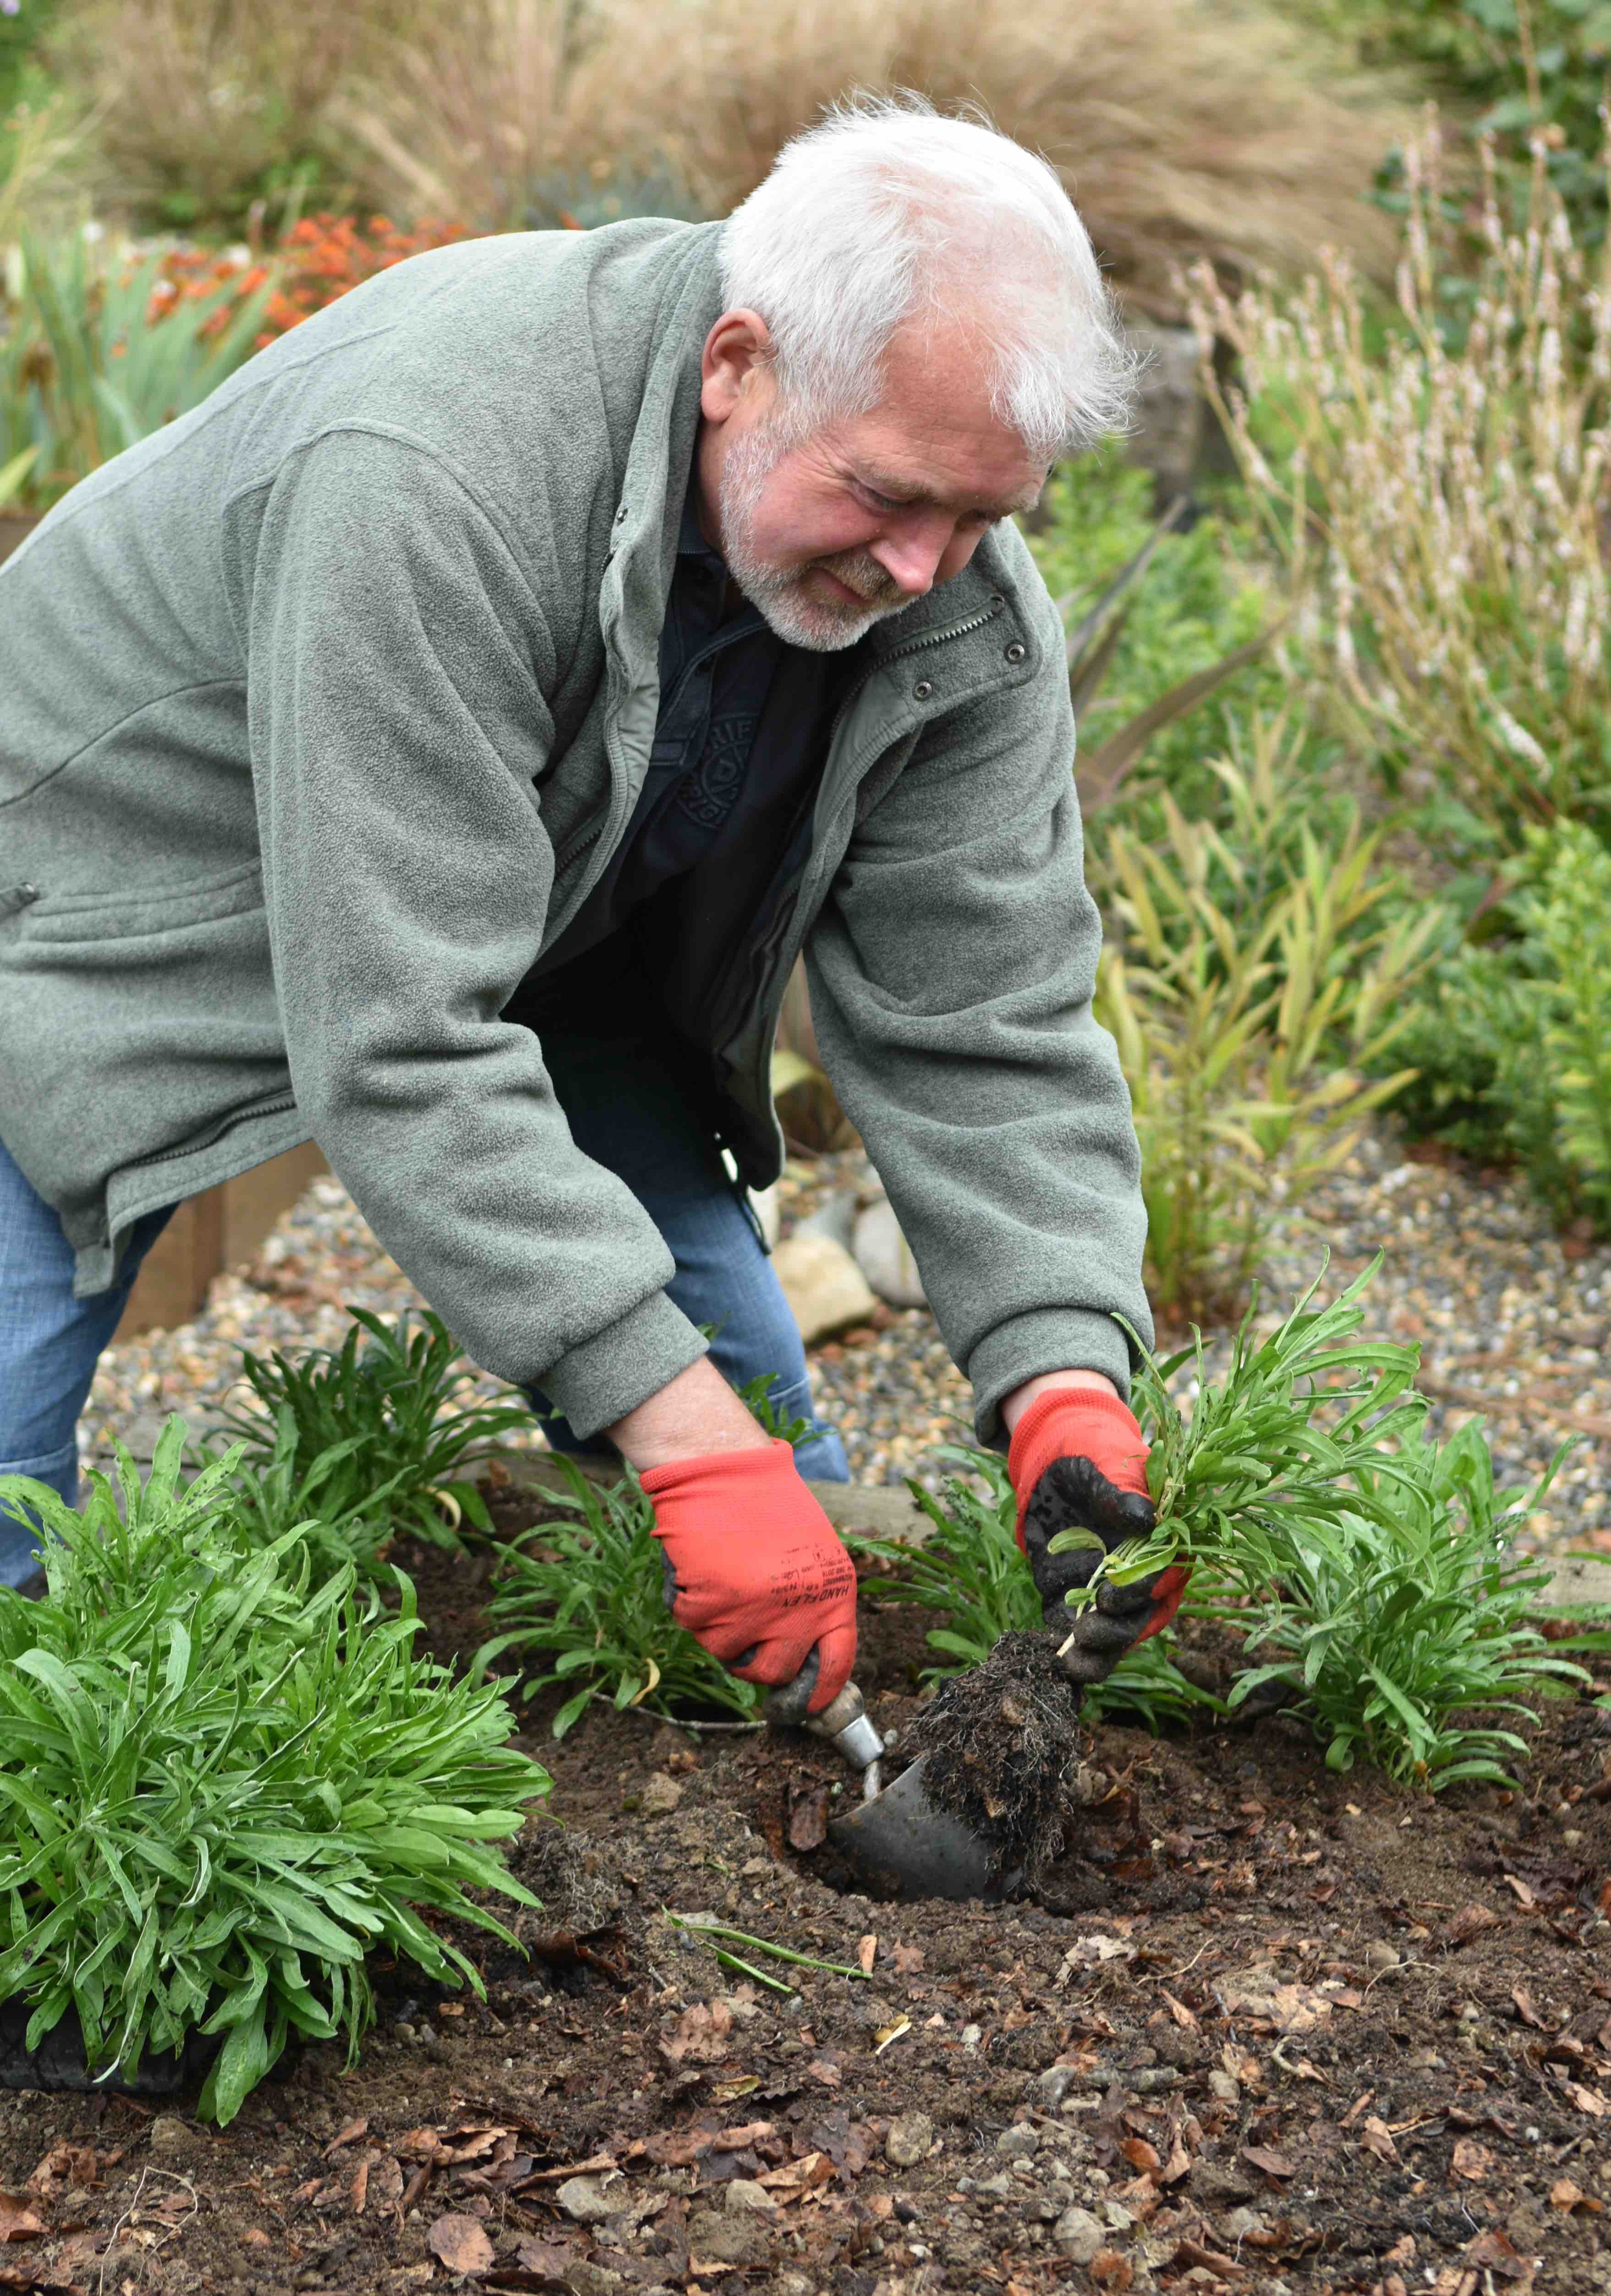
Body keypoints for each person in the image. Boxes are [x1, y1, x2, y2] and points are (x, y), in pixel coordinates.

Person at [0, 95, 1187, 1697]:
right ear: (735, 365)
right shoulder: (436, 472)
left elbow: (985, 1014)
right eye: (891, 495)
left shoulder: (950, 611)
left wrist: (1064, 1375)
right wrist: (674, 1430)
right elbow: (402, 1036)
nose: (924, 569)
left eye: (983, 516)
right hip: (81, 899)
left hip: (540, 923)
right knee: (5, 1525)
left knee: (778, 1480)